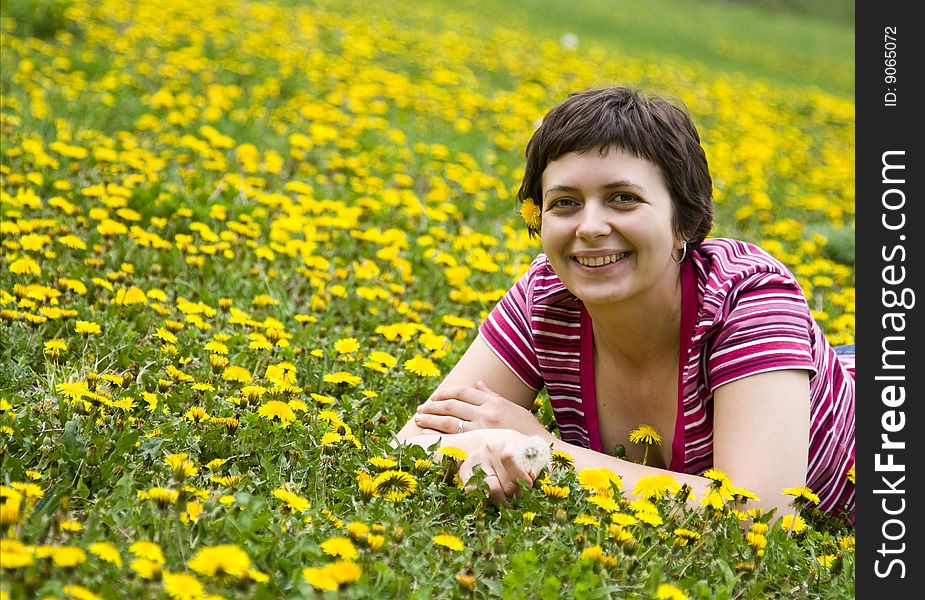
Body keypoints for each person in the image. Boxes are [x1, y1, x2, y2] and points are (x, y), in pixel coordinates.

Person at [396, 86, 855, 521]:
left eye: (623, 198)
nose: (590, 226)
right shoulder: (545, 296)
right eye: (565, 202)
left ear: (685, 222)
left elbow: (761, 510)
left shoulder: (748, 297)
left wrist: (541, 452)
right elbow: (414, 442)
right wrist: (487, 450)